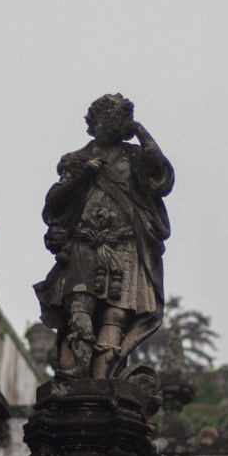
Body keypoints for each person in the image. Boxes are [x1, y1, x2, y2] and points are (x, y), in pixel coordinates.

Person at [34, 94, 173, 378]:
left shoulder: (135, 158)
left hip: (126, 243)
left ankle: (103, 377)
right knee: (80, 303)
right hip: (86, 240)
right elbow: (54, 205)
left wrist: (140, 131)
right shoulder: (76, 160)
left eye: (120, 120)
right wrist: (83, 176)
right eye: (108, 118)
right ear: (93, 122)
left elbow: (161, 177)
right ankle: (78, 366)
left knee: (116, 313)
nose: (114, 124)